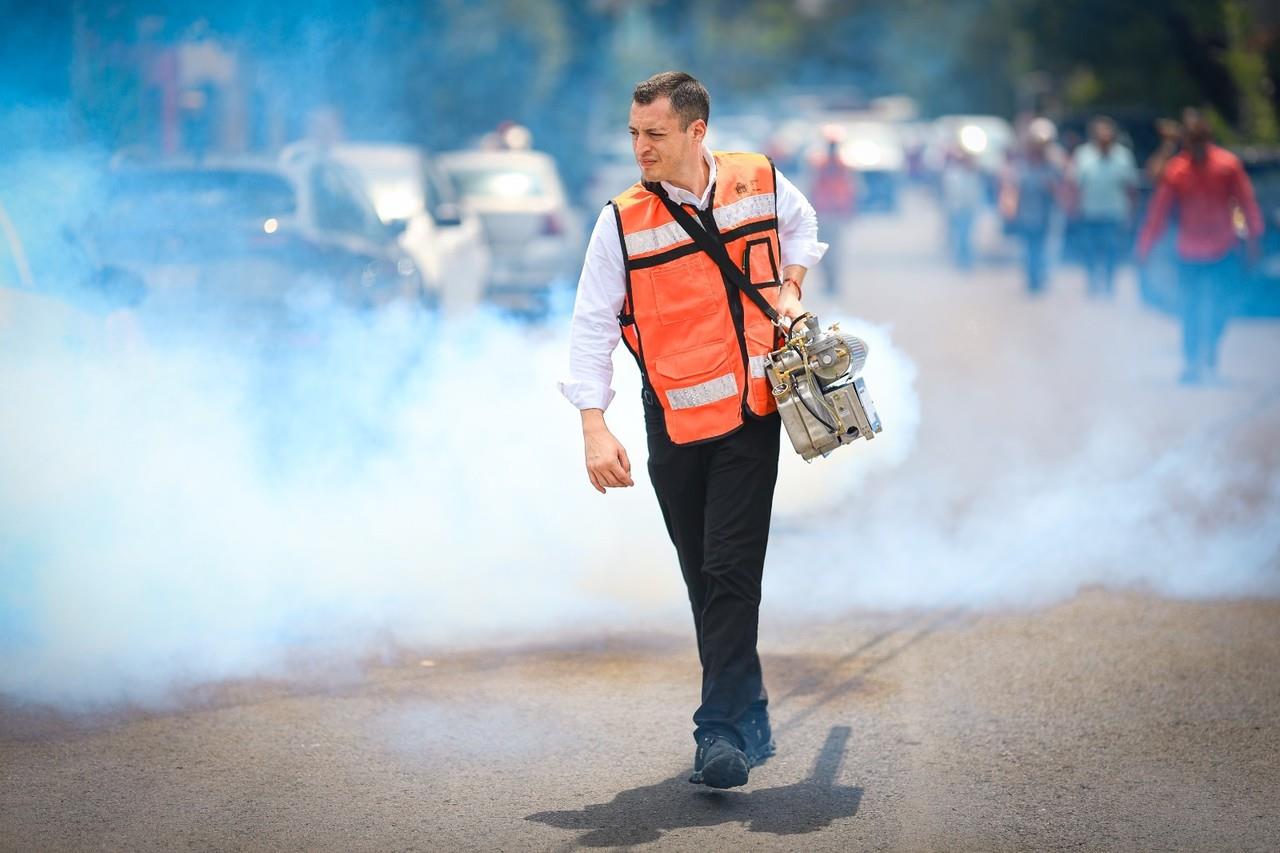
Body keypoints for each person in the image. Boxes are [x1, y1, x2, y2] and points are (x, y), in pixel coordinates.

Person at [558, 71, 825, 789]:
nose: (640, 147)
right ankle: (753, 706)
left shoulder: (757, 179)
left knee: (729, 570)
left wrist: (791, 287)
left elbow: (802, 227)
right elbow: (590, 324)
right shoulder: (620, 220)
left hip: (751, 411)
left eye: (655, 134)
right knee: (703, 578)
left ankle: (721, 732)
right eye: (634, 134)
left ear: (696, 132)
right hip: (671, 422)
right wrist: (594, 424)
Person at [1136, 110, 1264, 384]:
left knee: (1222, 306)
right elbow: (1158, 213)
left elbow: (1247, 203)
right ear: (1186, 143)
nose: (1196, 148)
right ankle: (1192, 360)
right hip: (1189, 250)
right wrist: (1145, 247)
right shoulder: (1177, 171)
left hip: (1223, 248)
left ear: (1208, 140)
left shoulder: (1227, 166)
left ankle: (1210, 350)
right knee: (1190, 308)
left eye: (1200, 141)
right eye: (1191, 142)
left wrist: (1253, 241)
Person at [1070, 117, 1138, 297]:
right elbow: (1076, 185)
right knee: (1090, 251)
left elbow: (1131, 187)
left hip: (1114, 213)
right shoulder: (1083, 154)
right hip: (1090, 212)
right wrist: (1073, 208)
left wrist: (1131, 211)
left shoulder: (1123, 156)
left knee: (1111, 252)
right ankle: (1092, 282)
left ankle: (1109, 284)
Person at [1000, 118, 1063, 294]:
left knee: (1044, 249)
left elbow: (1061, 188)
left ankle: (1041, 277)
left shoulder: (1053, 164)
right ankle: (1031, 278)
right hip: (1026, 215)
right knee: (1028, 249)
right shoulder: (1021, 164)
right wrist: (1010, 210)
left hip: (1047, 216)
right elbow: (1012, 188)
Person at [808, 125, 857, 294]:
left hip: (835, 212)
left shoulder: (843, 165)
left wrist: (849, 210)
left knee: (833, 250)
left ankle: (833, 283)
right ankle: (829, 282)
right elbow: (812, 187)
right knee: (823, 250)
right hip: (822, 212)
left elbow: (851, 189)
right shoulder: (819, 164)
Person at [939, 146, 984, 270]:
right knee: (960, 236)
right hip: (957, 210)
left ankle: (965, 259)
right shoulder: (953, 175)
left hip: (968, 210)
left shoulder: (973, 176)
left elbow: (976, 194)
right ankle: (961, 259)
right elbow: (949, 194)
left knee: (966, 236)